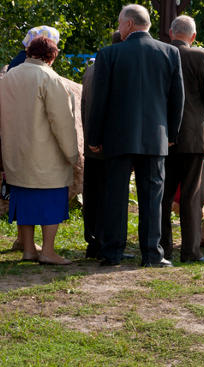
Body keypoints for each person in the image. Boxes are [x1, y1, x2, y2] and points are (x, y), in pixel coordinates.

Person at [86, 4, 184, 268]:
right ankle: (152, 253)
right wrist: (172, 133)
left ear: (129, 24)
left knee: (115, 196)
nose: (118, 28)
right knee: (153, 198)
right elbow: (177, 99)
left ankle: (112, 252)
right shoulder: (170, 52)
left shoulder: (109, 54)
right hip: (155, 136)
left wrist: (93, 136)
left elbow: (100, 101)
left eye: (119, 23)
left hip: (117, 137)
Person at [0, 36, 78, 265]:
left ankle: (28, 250)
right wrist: (72, 154)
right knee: (50, 203)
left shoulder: (9, 77)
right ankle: (48, 251)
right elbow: (61, 121)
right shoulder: (49, 78)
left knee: (23, 201)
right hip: (45, 157)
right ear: (51, 56)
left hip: (15, 154)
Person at [160, 16, 204, 264]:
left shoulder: (160, 55)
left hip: (162, 135)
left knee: (163, 196)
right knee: (191, 195)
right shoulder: (200, 57)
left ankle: (162, 248)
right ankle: (191, 251)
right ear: (193, 37)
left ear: (170, 32)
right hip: (194, 135)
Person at [80, 30, 122, 260]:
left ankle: (93, 240)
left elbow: (84, 105)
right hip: (108, 144)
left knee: (92, 193)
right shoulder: (111, 68)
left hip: (92, 142)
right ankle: (105, 241)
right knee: (109, 194)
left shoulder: (91, 68)